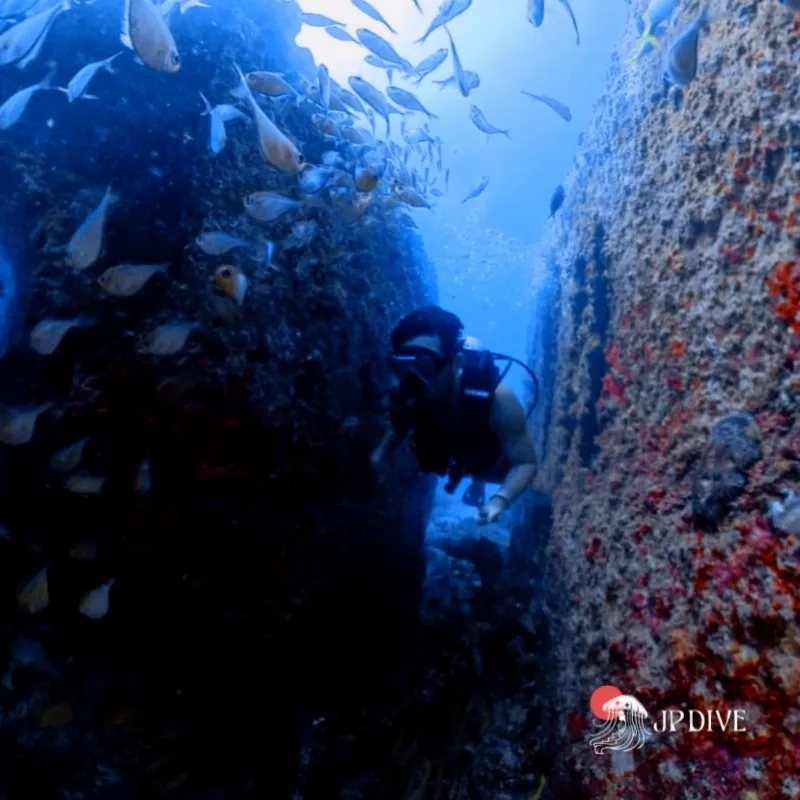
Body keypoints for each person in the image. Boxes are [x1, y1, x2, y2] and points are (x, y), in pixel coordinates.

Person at [371, 306, 538, 525]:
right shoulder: (408, 392)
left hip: (487, 452)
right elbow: (399, 425)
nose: (414, 378)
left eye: (425, 364)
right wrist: (379, 456)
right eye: (403, 365)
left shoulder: (499, 399)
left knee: (517, 477)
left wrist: (499, 500)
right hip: (448, 445)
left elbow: (525, 462)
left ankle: (478, 478)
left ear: (457, 362)